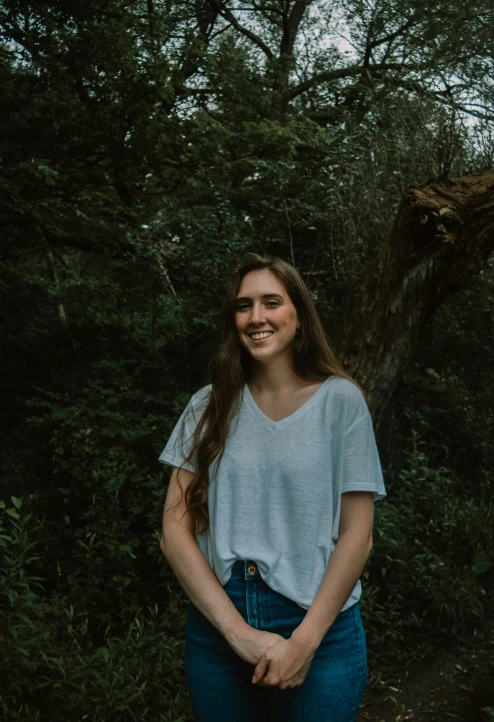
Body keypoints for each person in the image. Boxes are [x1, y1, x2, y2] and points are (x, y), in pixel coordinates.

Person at [159, 252, 386, 722]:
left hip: (318, 623)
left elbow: (357, 535)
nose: (256, 317)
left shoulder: (341, 403)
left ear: (298, 316)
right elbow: (174, 531)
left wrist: (304, 643)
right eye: (244, 305)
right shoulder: (208, 405)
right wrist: (237, 632)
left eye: (271, 302)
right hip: (220, 624)